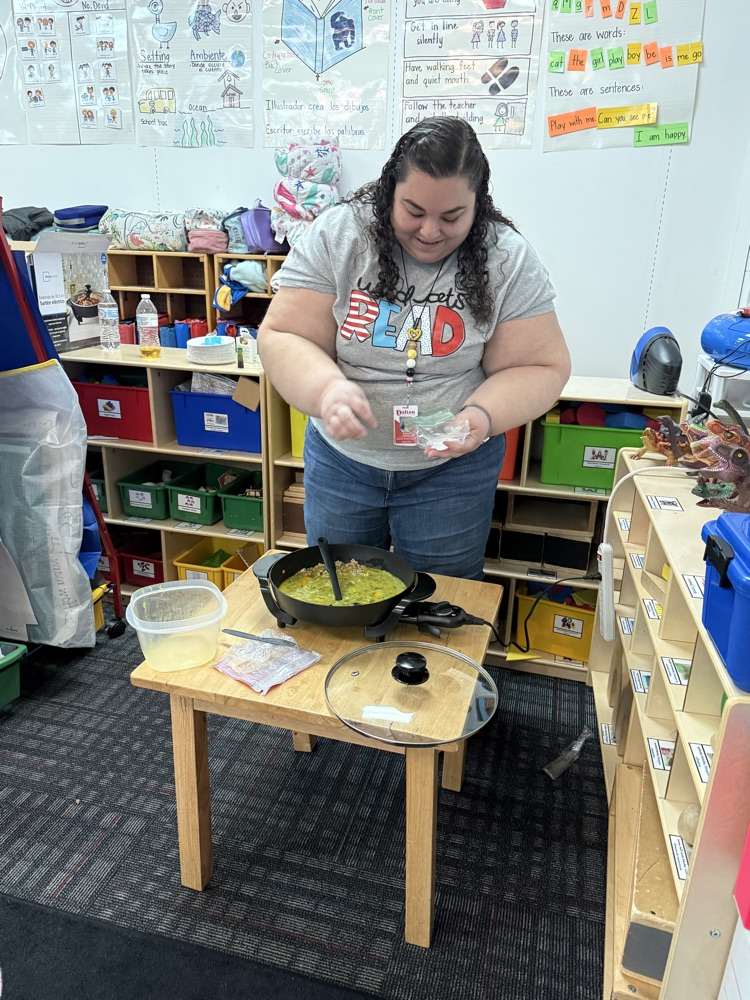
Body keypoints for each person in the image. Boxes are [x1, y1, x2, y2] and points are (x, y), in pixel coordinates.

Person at [257, 116, 570, 580]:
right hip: (345, 464)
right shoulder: (341, 235)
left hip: (450, 474)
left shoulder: (506, 258)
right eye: (413, 211)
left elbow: (541, 367)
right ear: (389, 193)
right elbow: (283, 335)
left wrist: (480, 417)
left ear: (478, 205)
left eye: (451, 217)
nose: (429, 232)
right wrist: (326, 390)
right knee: (338, 591)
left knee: (440, 602)